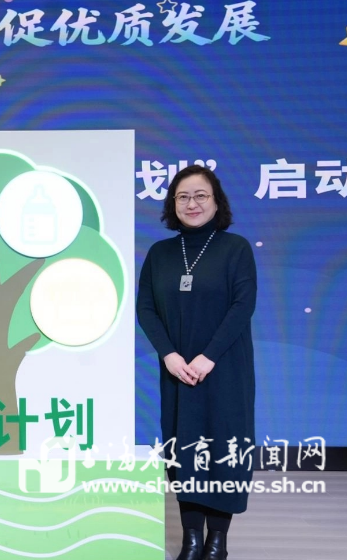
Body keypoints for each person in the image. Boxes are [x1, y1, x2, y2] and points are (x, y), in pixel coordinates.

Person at [136, 165, 257, 560]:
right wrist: (169, 355)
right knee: (184, 449)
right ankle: (191, 538)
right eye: (183, 196)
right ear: (173, 204)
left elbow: (243, 306)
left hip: (225, 368)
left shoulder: (235, 248)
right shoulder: (160, 254)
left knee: (224, 446)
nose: (192, 203)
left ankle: (217, 540)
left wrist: (208, 357)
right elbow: (146, 309)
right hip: (177, 370)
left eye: (201, 195)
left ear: (216, 201)